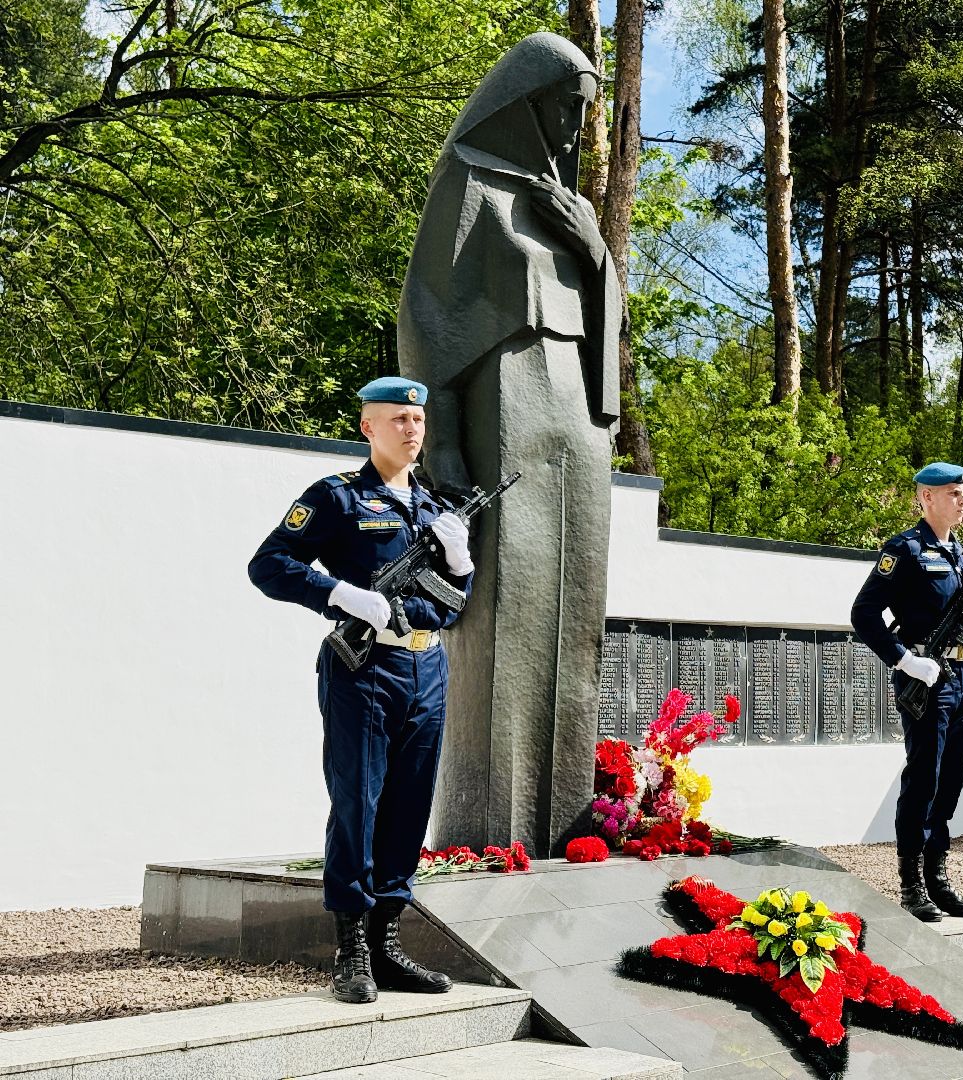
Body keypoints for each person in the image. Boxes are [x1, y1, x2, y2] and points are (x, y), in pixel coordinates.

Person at [395, 32, 619, 855]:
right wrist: (443, 443)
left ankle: (562, 826)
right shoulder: (472, 180)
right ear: (526, 102)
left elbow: (607, 322)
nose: (573, 127)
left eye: (585, 113)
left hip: (577, 424)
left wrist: (593, 249)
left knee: (573, 614)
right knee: (506, 613)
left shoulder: (572, 205)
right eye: (566, 107)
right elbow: (426, 318)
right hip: (504, 413)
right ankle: (488, 827)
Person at [247, 377, 475, 1003]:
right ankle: (350, 952)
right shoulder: (338, 498)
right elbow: (268, 565)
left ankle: (388, 945)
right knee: (359, 804)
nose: (411, 428)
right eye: (397, 418)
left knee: (409, 806)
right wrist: (340, 595)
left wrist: (460, 564)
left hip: (427, 671)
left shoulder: (436, 508)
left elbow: (455, 609)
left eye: (417, 419)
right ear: (367, 427)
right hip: (363, 670)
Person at [851, 462, 963, 922]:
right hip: (925, 679)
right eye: (954, 492)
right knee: (924, 779)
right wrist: (904, 660)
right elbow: (864, 613)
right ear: (926, 497)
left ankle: (940, 879)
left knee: (952, 778)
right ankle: (911, 884)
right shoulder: (905, 550)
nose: (962, 499)